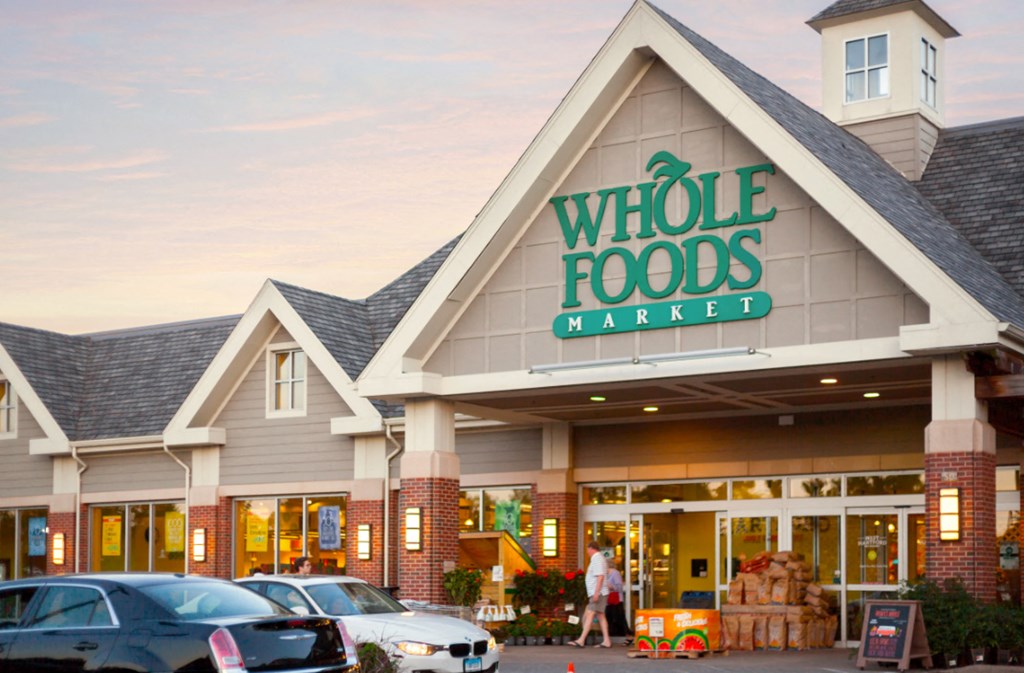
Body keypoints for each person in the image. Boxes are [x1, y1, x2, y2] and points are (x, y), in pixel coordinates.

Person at [568, 541, 611, 648]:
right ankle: (606, 640)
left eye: (587, 549)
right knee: (601, 615)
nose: (587, 552)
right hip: (601, 592)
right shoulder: (601, 558)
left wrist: (596, 593)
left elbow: (600, 577)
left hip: (598, 592)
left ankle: (581, 639)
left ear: (592, 548)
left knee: (590, 614)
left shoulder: (596, 558)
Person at [605, 560, 631, 639]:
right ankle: (612, 632)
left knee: (618, 616)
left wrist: (612, 587)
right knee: (609, 616)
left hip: (616, 599)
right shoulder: (605, 574)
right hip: (608, 599)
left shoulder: (615, 573)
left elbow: (619, 587)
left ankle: (622, 632)